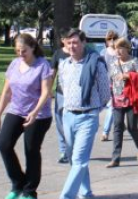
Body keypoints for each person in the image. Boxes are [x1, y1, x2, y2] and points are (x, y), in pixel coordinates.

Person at [0, 34, 54, 199]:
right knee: (4, 144)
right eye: (18, 50)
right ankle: (18, 184)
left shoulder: (42, 65)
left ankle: (29, 191)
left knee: (31, 150)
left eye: (24, 50)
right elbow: (6, 93)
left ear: (32, 47)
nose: (20, 54)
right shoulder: (14, 64)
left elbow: (46, 92)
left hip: (39, 115)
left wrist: (34, 112)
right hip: (16, 110)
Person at [57, 29, 111, 199]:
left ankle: (66, 196)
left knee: (79, 160)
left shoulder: (96, 63)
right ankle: (86, 193)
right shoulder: (64, 64)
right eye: (69, 42)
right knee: (74, 159)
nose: (72, 46)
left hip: (88, 117)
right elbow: (62, 87)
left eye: (75, 42)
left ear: (83, 42)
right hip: (68, 116)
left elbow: (105, 93)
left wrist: (94, 110)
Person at [106, 38, 138, 167]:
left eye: (120, 48)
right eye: (115, 48)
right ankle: (115, 158)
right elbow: (110, 80)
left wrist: (129, 75)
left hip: (131, 100)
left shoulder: (134, 61)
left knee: (132, 127)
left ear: (126, 48)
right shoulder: (113, 63)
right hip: (117, 100)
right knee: (117, 127)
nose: (117, 51)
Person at [51, 42, 71, 163]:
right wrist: (47, 90)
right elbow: (52, 73)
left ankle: (71, 148)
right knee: (60, 122)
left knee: (72, 123)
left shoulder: (82, 53)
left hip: (76, 95)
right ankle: (63, 150)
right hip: (60, 93)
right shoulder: (58, 54)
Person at [99, 30, 120, 142]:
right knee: (102, 107)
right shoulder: (103, 53)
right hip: (105, 84)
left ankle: (105, 132)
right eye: (109, 39)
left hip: (118, 85)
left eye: (114, 38)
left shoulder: (119, 52)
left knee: (112, 107)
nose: (112, 41)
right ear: (106, 41)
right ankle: (120, 124)